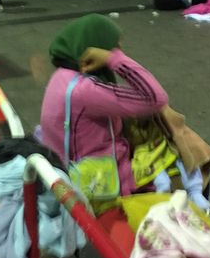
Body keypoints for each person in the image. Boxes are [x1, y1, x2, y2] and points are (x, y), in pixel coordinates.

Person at [39, 14, 168, 196]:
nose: (120, 49)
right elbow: (155, 98)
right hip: (102, 181)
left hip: (69, 169)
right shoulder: (85, 90)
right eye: (115, 45)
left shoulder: (63, 76)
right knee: (182, 158)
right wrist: (114, 58)